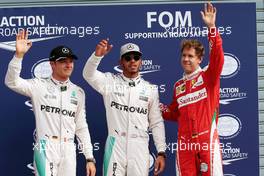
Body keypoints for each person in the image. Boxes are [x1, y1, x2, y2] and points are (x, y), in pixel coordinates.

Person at [5, 30, 96, 176]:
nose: (68, 65)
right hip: (45, 146)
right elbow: (11, 82)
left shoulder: (78, 92)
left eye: (70, 61)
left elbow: (81, 126)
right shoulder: (38, 86)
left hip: (68, 149)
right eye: (63, 61)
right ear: (52, 64)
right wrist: (18, 56)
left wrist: (89, 157)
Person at [83, 41, 166, 176]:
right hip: (115, 144)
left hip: (139, 145)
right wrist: (97, 57)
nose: (132, 61)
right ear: (121, 62)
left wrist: (161, 151)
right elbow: (88, 74)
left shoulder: (150, 89)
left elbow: (156, 122)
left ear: (141, 62)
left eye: (136, 57)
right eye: (127, 58)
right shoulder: (110, 83)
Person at [160, 3, 224, 176]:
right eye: (184, 55)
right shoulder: (178, 86)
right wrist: (155, 106)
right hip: (185, 145)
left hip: (207, 141)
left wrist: (211, 28)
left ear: (200, 59)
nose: (186, 59)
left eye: (191, 56)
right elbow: (174, 113)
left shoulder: (208, 77)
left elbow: (218, 56)